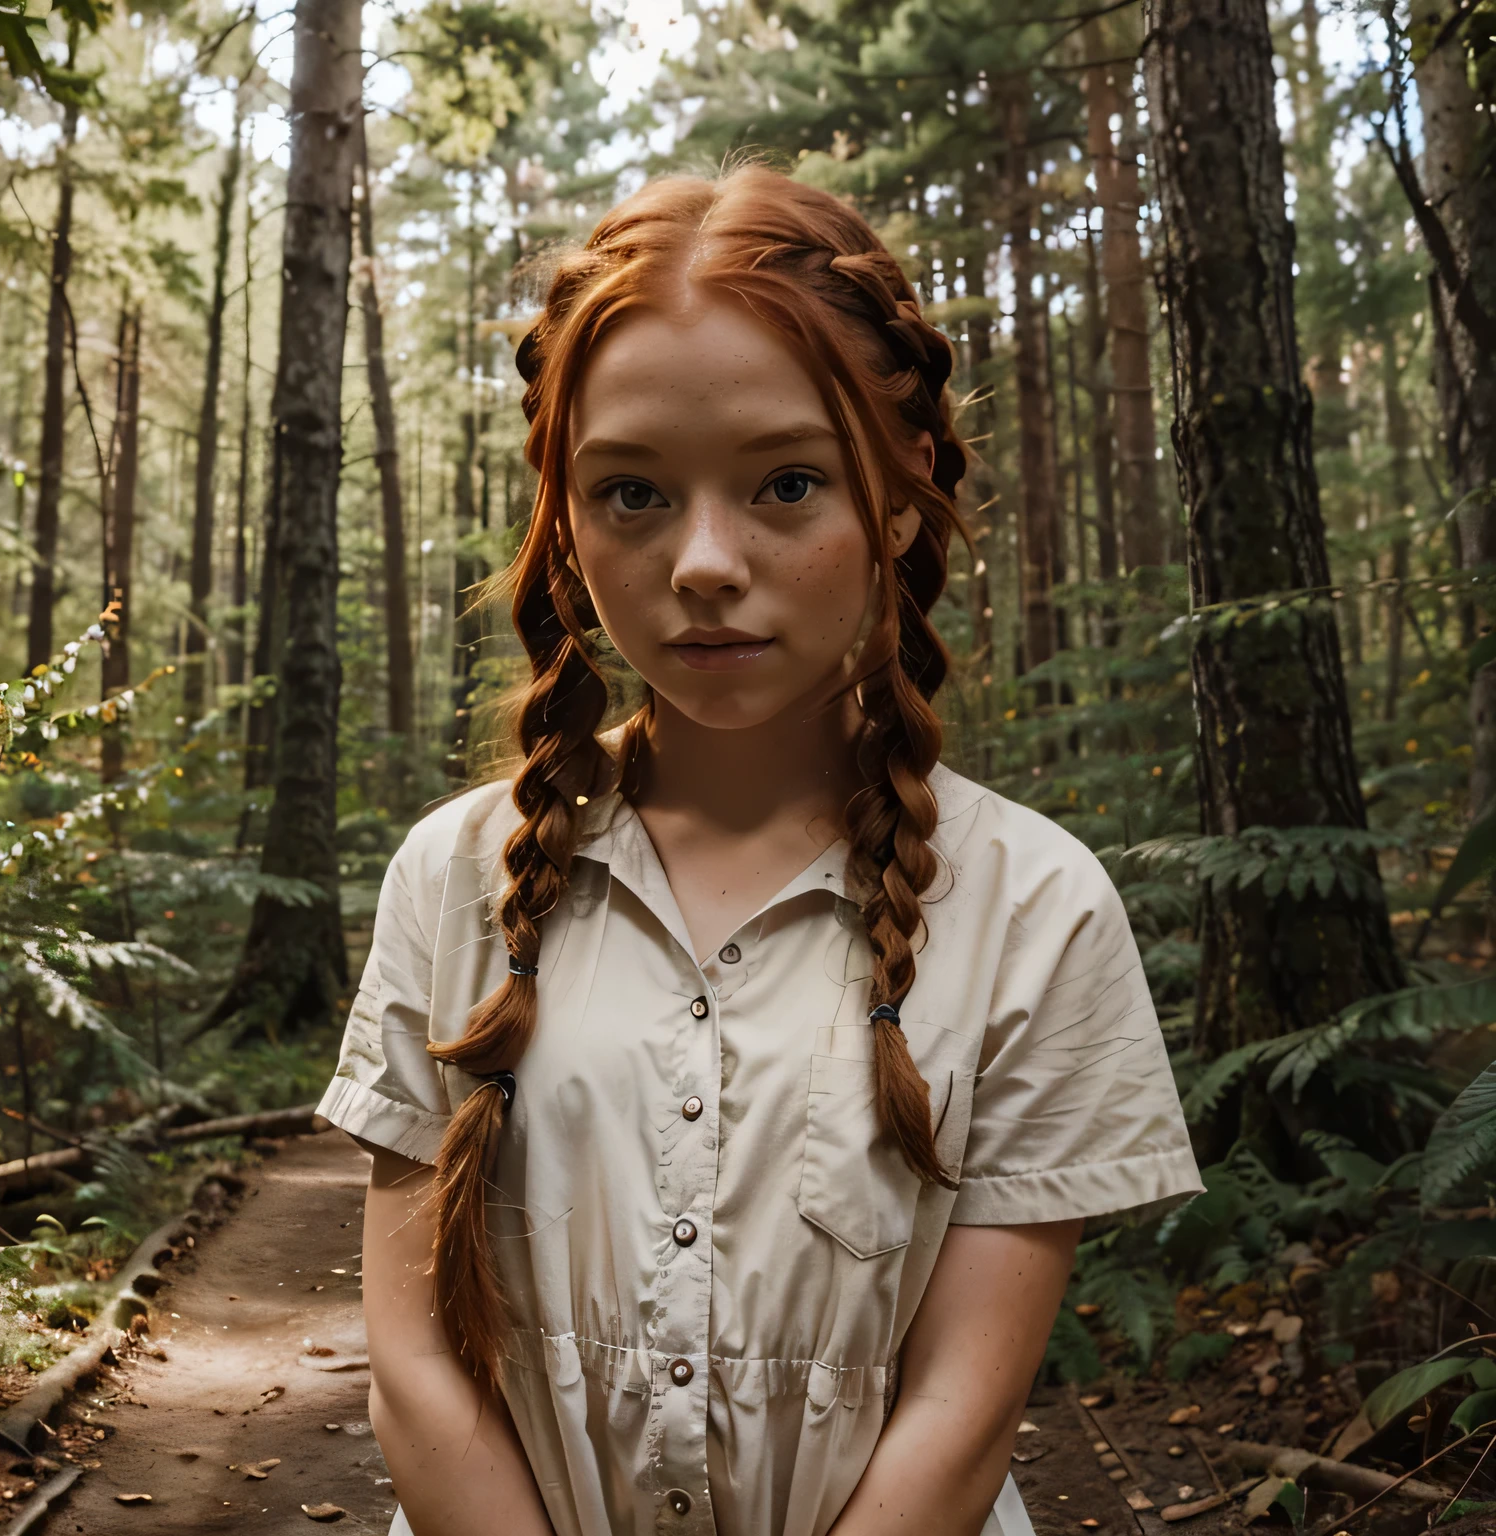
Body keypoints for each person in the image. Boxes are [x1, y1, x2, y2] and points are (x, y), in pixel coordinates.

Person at [317, 165, 1204, 1536]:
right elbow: (418, 1367)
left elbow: (961, 1418)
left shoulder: (1034, 907)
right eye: (632, 494)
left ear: (899, 499)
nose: (705, 563)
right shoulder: (455, 877)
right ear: (565, 519)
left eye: (786, 483)